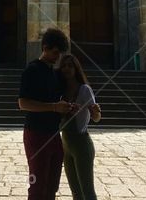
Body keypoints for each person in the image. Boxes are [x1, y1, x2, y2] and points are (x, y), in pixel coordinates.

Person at [18, 27, 71, 200]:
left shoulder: (55, 74)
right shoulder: (32, 70)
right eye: (55, 52)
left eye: (60, 53)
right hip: (36, 134)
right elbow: (23, 103)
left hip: (54, 134)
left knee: (52, 185)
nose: (57, 57)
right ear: (45, 48)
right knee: (38, 185)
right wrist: (54, 107)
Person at [59, 54, 101, 200]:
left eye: (70, 65)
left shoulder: (84, 90)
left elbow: (96, 118)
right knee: (75, 192)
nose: (66, 69)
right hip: (66, 144)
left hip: (82, 143)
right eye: (64, 66)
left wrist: (96, 112)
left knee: (87, 191)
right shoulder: (60, 90)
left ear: (76, 68)